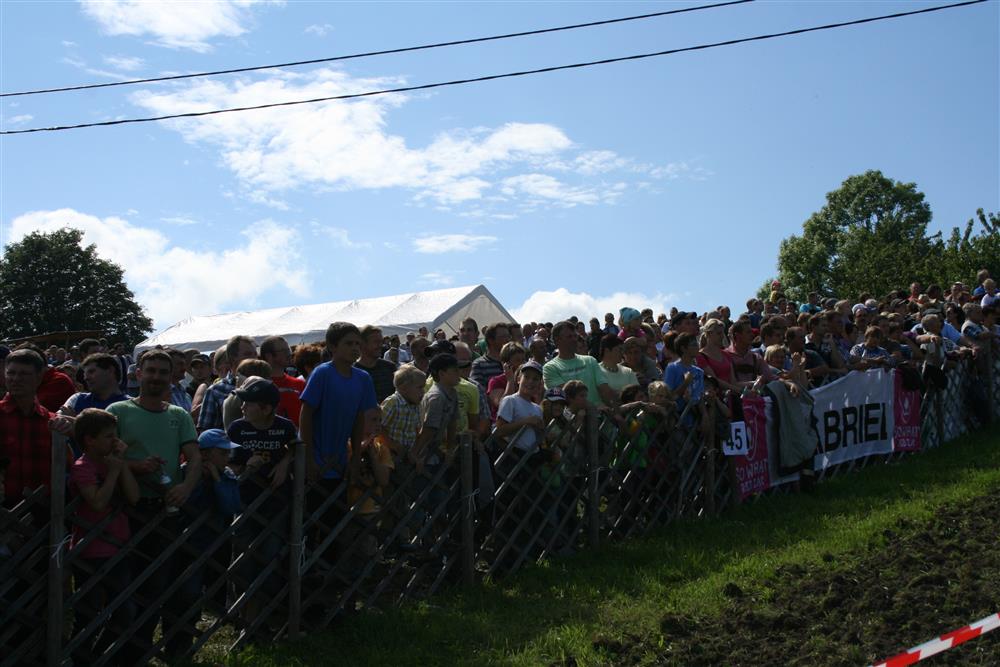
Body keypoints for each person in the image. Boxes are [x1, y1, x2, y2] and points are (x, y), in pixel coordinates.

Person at [108, 349, 200, 662]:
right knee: (130, 587)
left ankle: (165, 652)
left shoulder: (179, 415)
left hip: (168, 509)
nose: (157, 377)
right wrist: (137, 467)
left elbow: (195, 458)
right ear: (138, 374)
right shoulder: (118, 411)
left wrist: (186, 487)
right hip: (127, 508)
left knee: (170, 585)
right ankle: (129, 654)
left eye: (163, 372)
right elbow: (103, 458)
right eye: (151, 371)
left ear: (171, 376)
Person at [68, 408, 140, 665]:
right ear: (90, 440)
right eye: (109, 436)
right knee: (88, 613)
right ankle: (81, 660)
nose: (115, 440)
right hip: (91, 550)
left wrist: (121, 465)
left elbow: (134, 497)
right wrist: (113, 473)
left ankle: (101, 658)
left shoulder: (113, 462)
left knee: (125, 611)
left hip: (118, 546)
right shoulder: (82, 467)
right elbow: (97, 502)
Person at [226, 376, 297, 627]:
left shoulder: (284, 427)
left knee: (271, 555)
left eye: (248, 403)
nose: (242, 407)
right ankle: (241, 614)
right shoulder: (237, 429)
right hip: (244, 502)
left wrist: (285, 463)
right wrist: (245, 465)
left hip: (275, 503)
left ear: (266, 409)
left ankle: (267, 616)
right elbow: (229, 462)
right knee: (242, 557)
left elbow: (297, 447)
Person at [300, 322, 377, 484]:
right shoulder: (322, 373)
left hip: (341, 462)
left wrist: (355, 457)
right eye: (348, 343)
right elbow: (306, 415)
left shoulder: (363, 378)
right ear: (332, 346)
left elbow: (359, 418)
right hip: (316, 461)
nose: (355, 348)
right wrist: (308, 459)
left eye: (357, 343)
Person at [1, 349, 74, 508]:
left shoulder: (52, 423)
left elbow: (69, 465)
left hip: (44, 510)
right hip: (5, 509)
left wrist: (71, 430)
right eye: (11, 373)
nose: (16, 379)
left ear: (39, 377)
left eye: (24, 374)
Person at [542, 321, 615, 407]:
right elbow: (568, 396)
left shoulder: (590, 360)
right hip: (575, 415)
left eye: (575, 336)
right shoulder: (550, 368)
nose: (574, 339)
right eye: (569, 336)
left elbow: (604, 389)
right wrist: (595, 408)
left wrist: (615, 409)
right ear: (557, 340)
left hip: (601, 413)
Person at [197, 335, 258, 431]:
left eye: (255, 354)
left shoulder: (265, 385)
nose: (254, 358)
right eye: (248, 354)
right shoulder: (215, 390)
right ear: (232, 358)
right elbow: (205, 432)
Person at [260, 336, 307, 426]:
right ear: (269, 356)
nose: (289, 354)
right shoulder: (259, 386)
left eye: (288, 350)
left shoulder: (300, 384)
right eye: (284, 351)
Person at [353, 326, 398, 404]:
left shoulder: (390, 367)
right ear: (362, 344)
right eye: (376, 342)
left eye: (381, 342)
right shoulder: (352, 372)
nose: (380, 345)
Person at [597, 335, 638, 404]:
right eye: (619, 349)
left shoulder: (628, 371)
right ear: (607, 351)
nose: (622, 353)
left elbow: (637, 395)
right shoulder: (596, 371)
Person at [470, 323, 510, 388]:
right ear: (490, 340)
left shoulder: (512, 361)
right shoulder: (479, 365)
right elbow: (478, 391)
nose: (508, 340)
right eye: (503, 337)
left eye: (508, 336)